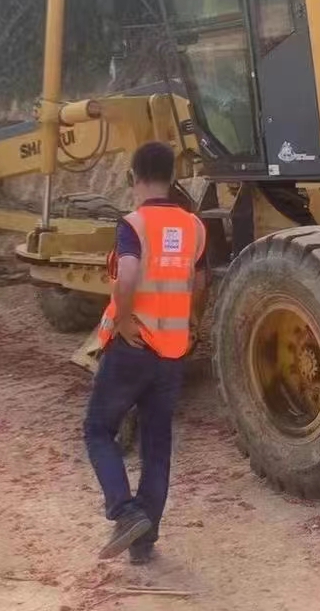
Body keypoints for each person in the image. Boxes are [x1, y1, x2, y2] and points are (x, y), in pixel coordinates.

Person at [82, 141, 206, 564]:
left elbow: (129, 272)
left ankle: (124, 511)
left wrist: (124, 320)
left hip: (133, 349)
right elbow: (201, 281)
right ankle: (144, 541)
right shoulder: (195, 227)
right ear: (173, 178)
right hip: (172, 354)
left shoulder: (133, 223)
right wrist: (190, 322)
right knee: (157, 444)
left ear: (134, 177)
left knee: (99, 430)